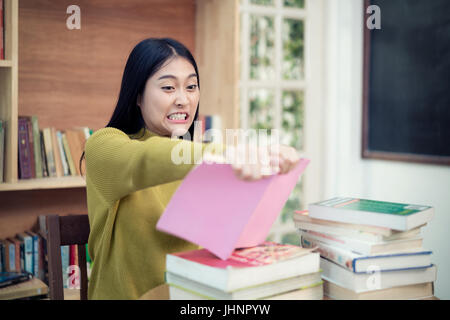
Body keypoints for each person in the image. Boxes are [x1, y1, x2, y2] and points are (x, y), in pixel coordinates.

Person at [83, 38, 300, 299]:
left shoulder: (199, 155)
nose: (183, 100)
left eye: (191, 86)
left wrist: (272, 164)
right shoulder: (104, 145)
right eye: (168, 87)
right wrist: (230, 154)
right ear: (138, 95)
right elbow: (146, 158)